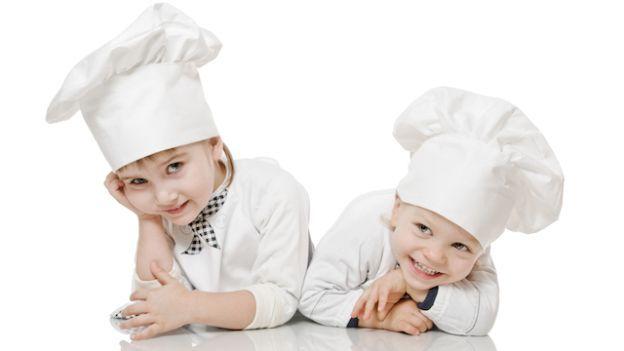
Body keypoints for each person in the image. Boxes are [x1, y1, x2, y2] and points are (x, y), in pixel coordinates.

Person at [46, 3, 310, 340]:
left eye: (174, 166)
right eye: (138, 181)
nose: (163, 195)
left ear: (213, 145)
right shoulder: (163, 211)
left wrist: (188, 306)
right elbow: (155, 299)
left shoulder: (272, 191)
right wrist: (147, 219)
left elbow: (281, 300)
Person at [299, 87, 564, 336]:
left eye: (460, 246)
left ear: (481, 249)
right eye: (423, 229)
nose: (435, 255)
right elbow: (312, 296)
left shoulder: (477, 249)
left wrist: (407, 282)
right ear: (397, 209)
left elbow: (482, 318)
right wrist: (381, 318)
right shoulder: (366, 223)